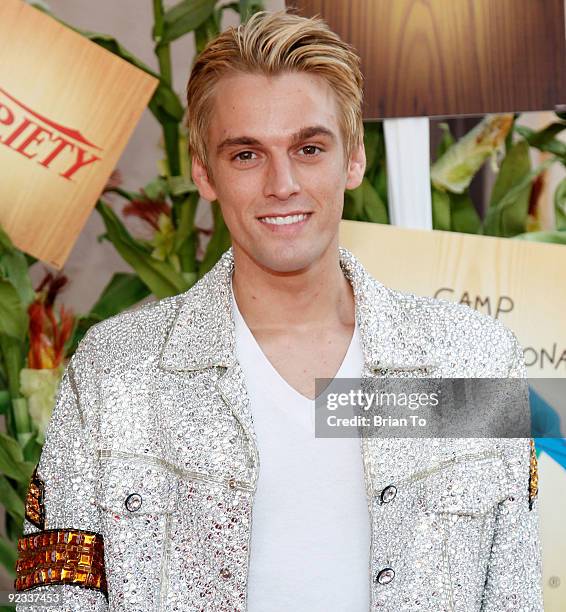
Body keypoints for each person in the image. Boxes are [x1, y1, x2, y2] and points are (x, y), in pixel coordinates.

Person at [14, 9, 542, 611]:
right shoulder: (118, 371)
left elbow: (512, 595)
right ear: (203, 170)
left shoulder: (469, 362)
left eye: (309, 147)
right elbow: (56, 600)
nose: (282, 182)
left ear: (354, 159)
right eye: (246, 155)